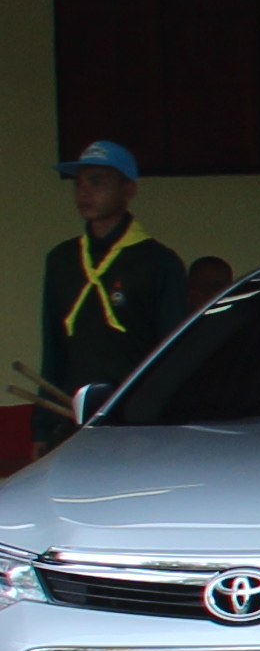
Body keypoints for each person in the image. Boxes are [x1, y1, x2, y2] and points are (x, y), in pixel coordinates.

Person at [37, 141, 185, 446]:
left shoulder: (159, 262)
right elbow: (53, 347)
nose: (83, 192)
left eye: (97, 182)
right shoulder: (62, 259)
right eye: (79, 183)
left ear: (128, 190)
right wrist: (41, 427)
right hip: (70, 416)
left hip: (134, 421)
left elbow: (172, 354)